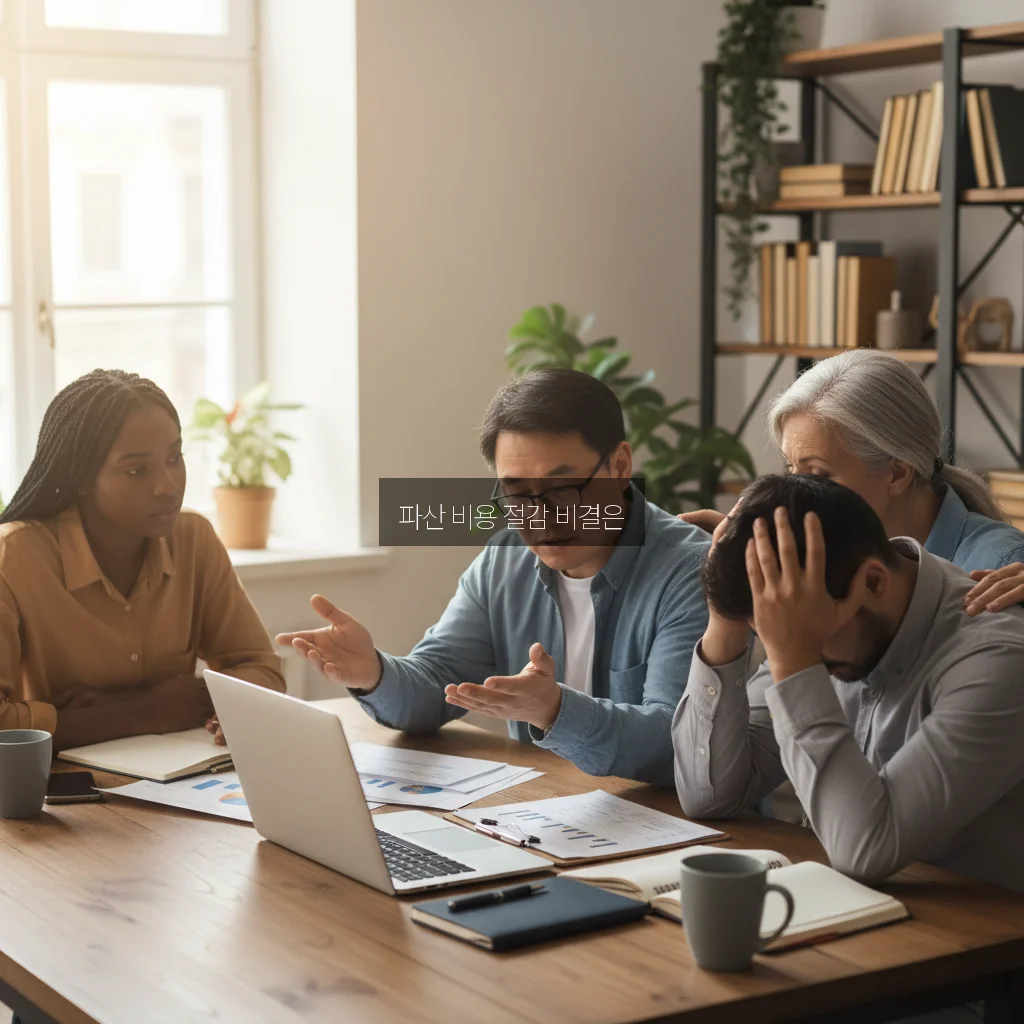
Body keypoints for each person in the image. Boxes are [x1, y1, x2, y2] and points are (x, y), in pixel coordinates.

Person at [277, 368, 711, 785]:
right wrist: (374, 673)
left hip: (680, 832)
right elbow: (437, 682)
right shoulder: (505, 558)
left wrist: (556, 710)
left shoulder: (688, 568)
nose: (540, 516)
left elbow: (677, 741)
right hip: (547, 812)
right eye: (518, 493)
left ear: (619, 466)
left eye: (563, 488)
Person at [673, 473, 1024, 893]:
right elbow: (708, 795)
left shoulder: (997, 660)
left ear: (873, 582)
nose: (783, 651)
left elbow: (863, 850)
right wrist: (725, 626)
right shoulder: (810, 614)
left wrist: (796, 660)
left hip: (982, 944)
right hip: (857, 920)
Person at [0, 369, 285, 752]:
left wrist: (80, 718)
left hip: (177, 782)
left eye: (174, 458)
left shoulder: (194, 538)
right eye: (136, 470)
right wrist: (142, 711)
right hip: (51, 792)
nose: (167, 485)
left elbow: (262, 670)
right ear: (81, 477)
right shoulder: (15, 557)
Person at [683, 349, 1024, 615]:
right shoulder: (832, 553)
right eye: (791, 469)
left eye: (817, 475)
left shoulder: (996, 571)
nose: (795, 493)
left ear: (897, 472)